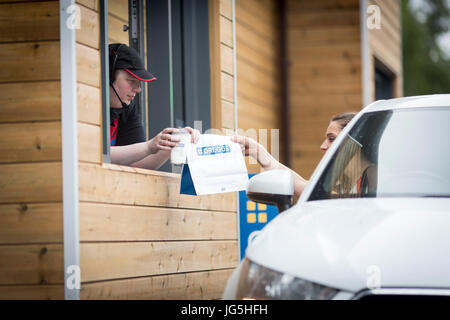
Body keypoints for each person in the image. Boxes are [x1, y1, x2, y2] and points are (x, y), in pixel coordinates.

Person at [108, 43, 199, 169]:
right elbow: (94, 153)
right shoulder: (87, 104)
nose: (138, 89)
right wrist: (148, 146)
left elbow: (135, 163)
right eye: (131, 80)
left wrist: (170, 143)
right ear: (108, 75)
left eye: (139, 83)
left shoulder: (127, 107)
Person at [231, 112, 357, 198]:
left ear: (353, 142)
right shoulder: (349, 182)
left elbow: (309, 192)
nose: (323, 146)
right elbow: (306, 187)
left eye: (331, 138)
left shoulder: (370, 180)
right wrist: (258, 151)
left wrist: (260, 152)